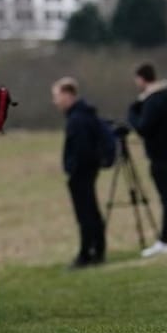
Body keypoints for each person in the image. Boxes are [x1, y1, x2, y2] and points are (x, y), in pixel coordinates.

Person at [127, 62, 167, 258]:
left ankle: (164, 240)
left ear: (141, 78)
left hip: (160, 155)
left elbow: (144, 127)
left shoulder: (153, 100)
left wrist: (132, 113)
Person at [51, 78, 106, 269]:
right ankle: (98, 250)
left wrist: (73, 169)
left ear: (68, 95)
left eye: (57, 96)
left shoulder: (77, 119)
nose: (55, 101)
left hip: (82, 172)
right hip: (89, 170)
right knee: (92, 211)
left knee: (85, 214)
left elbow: (82, 149)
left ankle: (87, 253)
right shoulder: (85, 115)